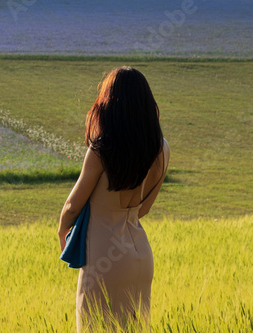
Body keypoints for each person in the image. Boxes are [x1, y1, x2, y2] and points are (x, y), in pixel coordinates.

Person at [58, 66, 170, 332]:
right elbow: (143, 210)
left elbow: (73, 206)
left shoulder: (101, 150)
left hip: (103, 260)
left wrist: (62, 230)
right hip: (140, 256)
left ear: (110, 104)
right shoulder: (161, 148)